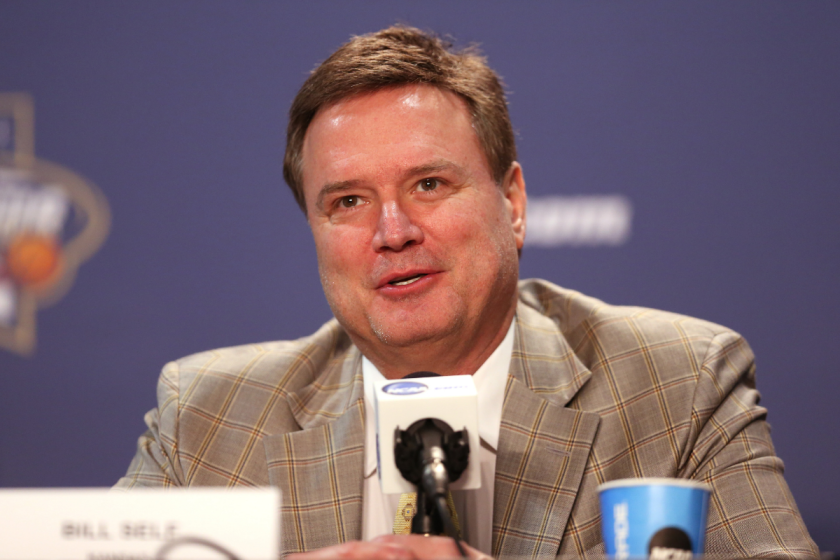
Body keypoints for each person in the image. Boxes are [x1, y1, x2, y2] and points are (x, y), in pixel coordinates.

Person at [116, 26, 818, 559]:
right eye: (349, 202)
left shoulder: (678, 385)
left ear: (512, 203)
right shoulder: (205, 418)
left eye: (429, 185)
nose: (392, 232)